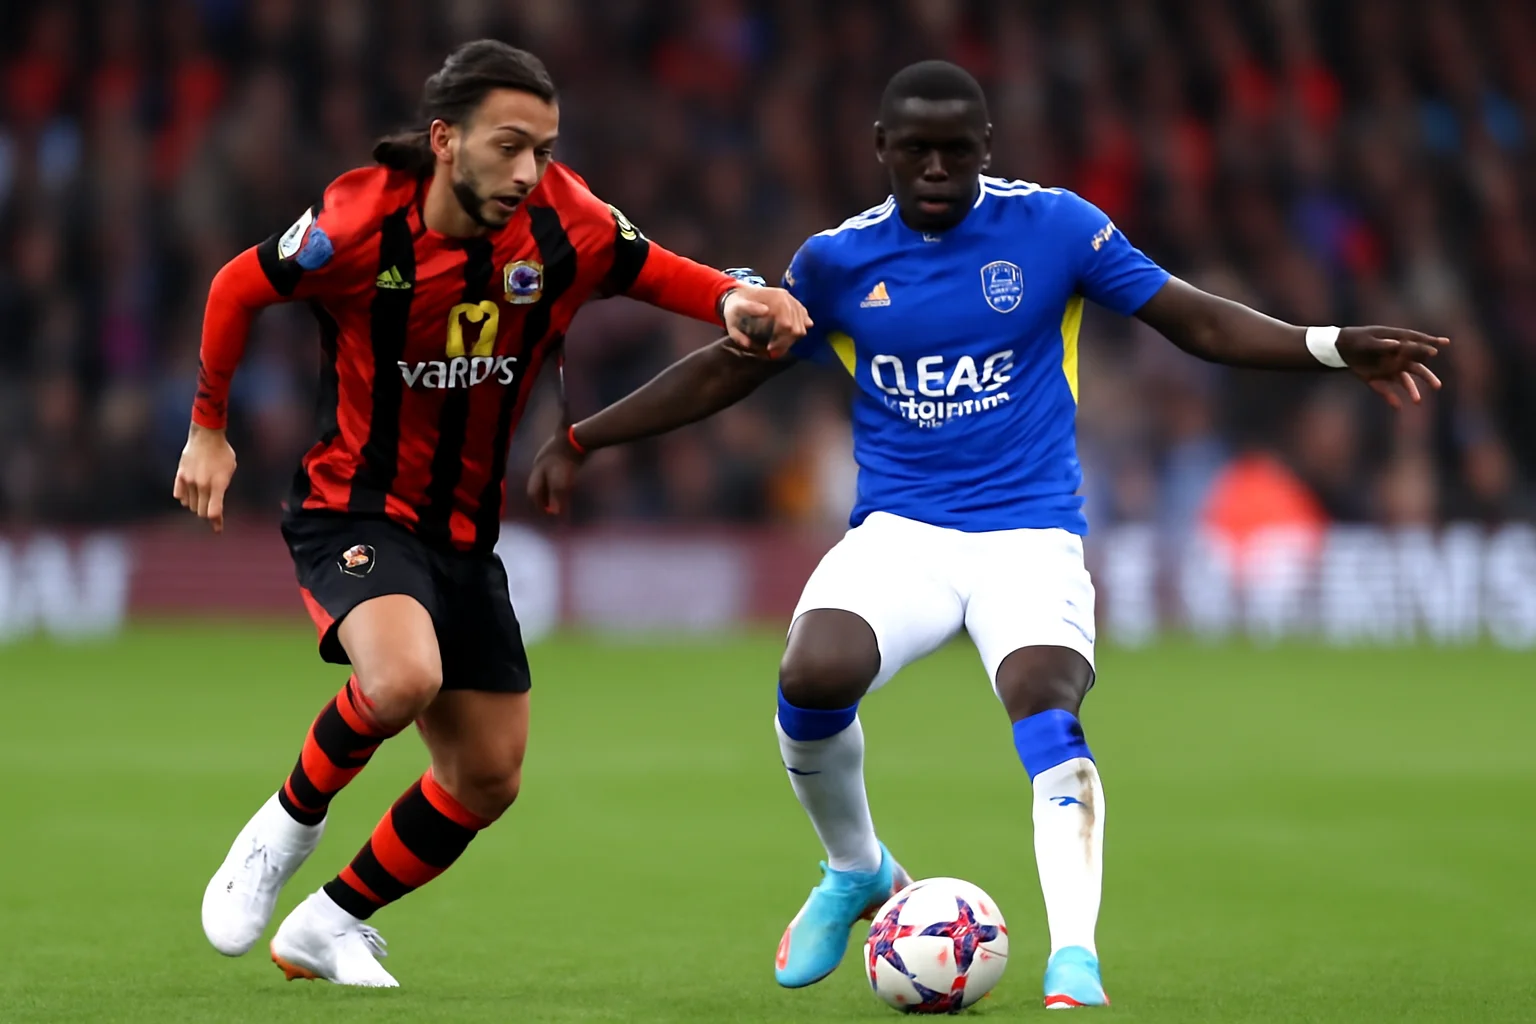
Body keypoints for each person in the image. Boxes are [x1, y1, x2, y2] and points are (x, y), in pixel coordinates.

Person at [527, 60, 1446, 1011]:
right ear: (881, 149)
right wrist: (588, 436)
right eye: (916, 149)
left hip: (1029, 536)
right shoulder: (837, 262)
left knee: (1045, 703)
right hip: (902, 535)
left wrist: (1329, 346)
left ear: (986, 149)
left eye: (956, 150)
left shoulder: (1057, 228)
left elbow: (1195, 321)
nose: (936, 167)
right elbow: (729, 369)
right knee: (812, 673)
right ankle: (856, 867)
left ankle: (1074, 957)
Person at [173, 40, 808, 988]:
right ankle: (283, 829)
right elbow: (237, 285)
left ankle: (329, 923)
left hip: (465, 532)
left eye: (543, 150)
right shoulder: (357, 223)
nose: (528, 171)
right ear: (445, 140)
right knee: (402, 679)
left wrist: (733, 299)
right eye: (509, 146)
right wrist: (208, 428)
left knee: (488, 777)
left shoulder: (565, 222)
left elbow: (658, 269)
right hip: (354, 506)